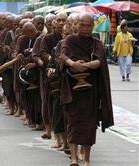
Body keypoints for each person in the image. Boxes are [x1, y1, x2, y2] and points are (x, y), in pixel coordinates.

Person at [59, 13, 114, 166]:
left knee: (89, 124)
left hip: (91, 91)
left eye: (88, 25)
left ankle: (87, 158)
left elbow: (100, 60)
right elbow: (63, 55)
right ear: (77, 25)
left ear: (93, 26)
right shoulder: (70, 40)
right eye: (82, 24)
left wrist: (85, 65)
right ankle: (74, 157)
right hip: (73, 90)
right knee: (73, 122)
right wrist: (72, 63)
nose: (84, 28)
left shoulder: (96, 43)